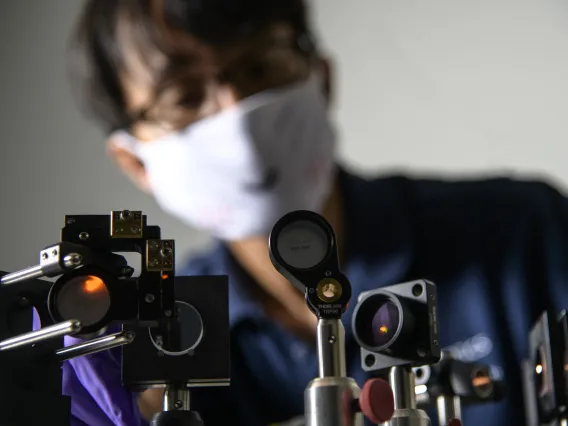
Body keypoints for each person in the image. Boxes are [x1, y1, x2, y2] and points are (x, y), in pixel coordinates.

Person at [58, 0, 568, 425]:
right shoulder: (161, 340)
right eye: (184, 97)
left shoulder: (525, 233)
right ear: (134, 161)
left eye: (259, 68)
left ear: (321, 79)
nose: (236, 114)